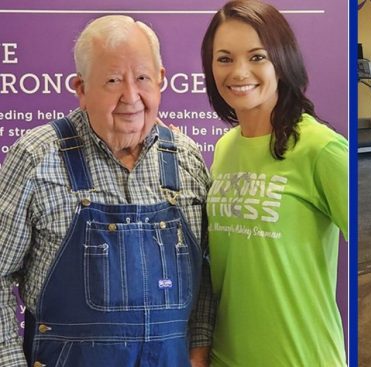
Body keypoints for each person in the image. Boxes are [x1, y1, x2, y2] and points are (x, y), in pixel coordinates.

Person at [0, 15, 212, 366]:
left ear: (160, 80)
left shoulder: (187, 159)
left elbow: (205, 274)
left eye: (142, 78)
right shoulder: (38, 157)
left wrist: (200, 348)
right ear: (81, 88)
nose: (131, 96)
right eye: (112, 81)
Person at [193, 0, 349, 366]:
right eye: (225, 58)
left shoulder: (320, 147)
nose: (239, 71)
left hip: (300, 356)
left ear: (282, 60)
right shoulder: (226, 146)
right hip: (225, 357)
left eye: (258, 56)